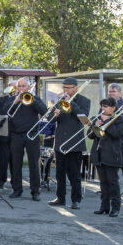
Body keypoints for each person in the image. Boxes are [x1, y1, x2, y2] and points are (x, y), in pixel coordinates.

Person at [1, 77, 48, 200]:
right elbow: (4, 113)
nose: (21, 88)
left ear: (28, 87)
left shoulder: (35, 99)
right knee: (16, 163)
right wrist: (15, 102)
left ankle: (35, 191)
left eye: (23, 86)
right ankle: (17, 189)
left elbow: (45, 112)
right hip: (16, 134)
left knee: (33, 163)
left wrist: (32, 100)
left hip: (32, 135)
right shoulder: (12, 99)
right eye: (19, 86)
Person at [49, 77, 90, 209]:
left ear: (75, 88)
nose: (65, 90)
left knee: (74, 173)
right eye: (64, 87)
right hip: (60, 141)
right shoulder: (59, 101)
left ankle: (76, 200)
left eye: (68, 88)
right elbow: (49, 119)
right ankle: (60, 198)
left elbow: (83, 117)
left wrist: (70, 103)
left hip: (74, 142)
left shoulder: (84, 101)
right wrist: (54, 114)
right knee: (59, 173)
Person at [87, 97, 123, 217]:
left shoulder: (120, 119)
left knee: (113, 183)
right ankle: (104, 207)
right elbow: (90, 135)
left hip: (112, 155)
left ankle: (115, 208)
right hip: (99, 155)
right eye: (102, 106)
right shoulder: (98, 118)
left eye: (106, 106)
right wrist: (95, 126)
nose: (103, 109)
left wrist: (106, 123)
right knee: (103, 183)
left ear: (113, 108)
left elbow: (116, 134)